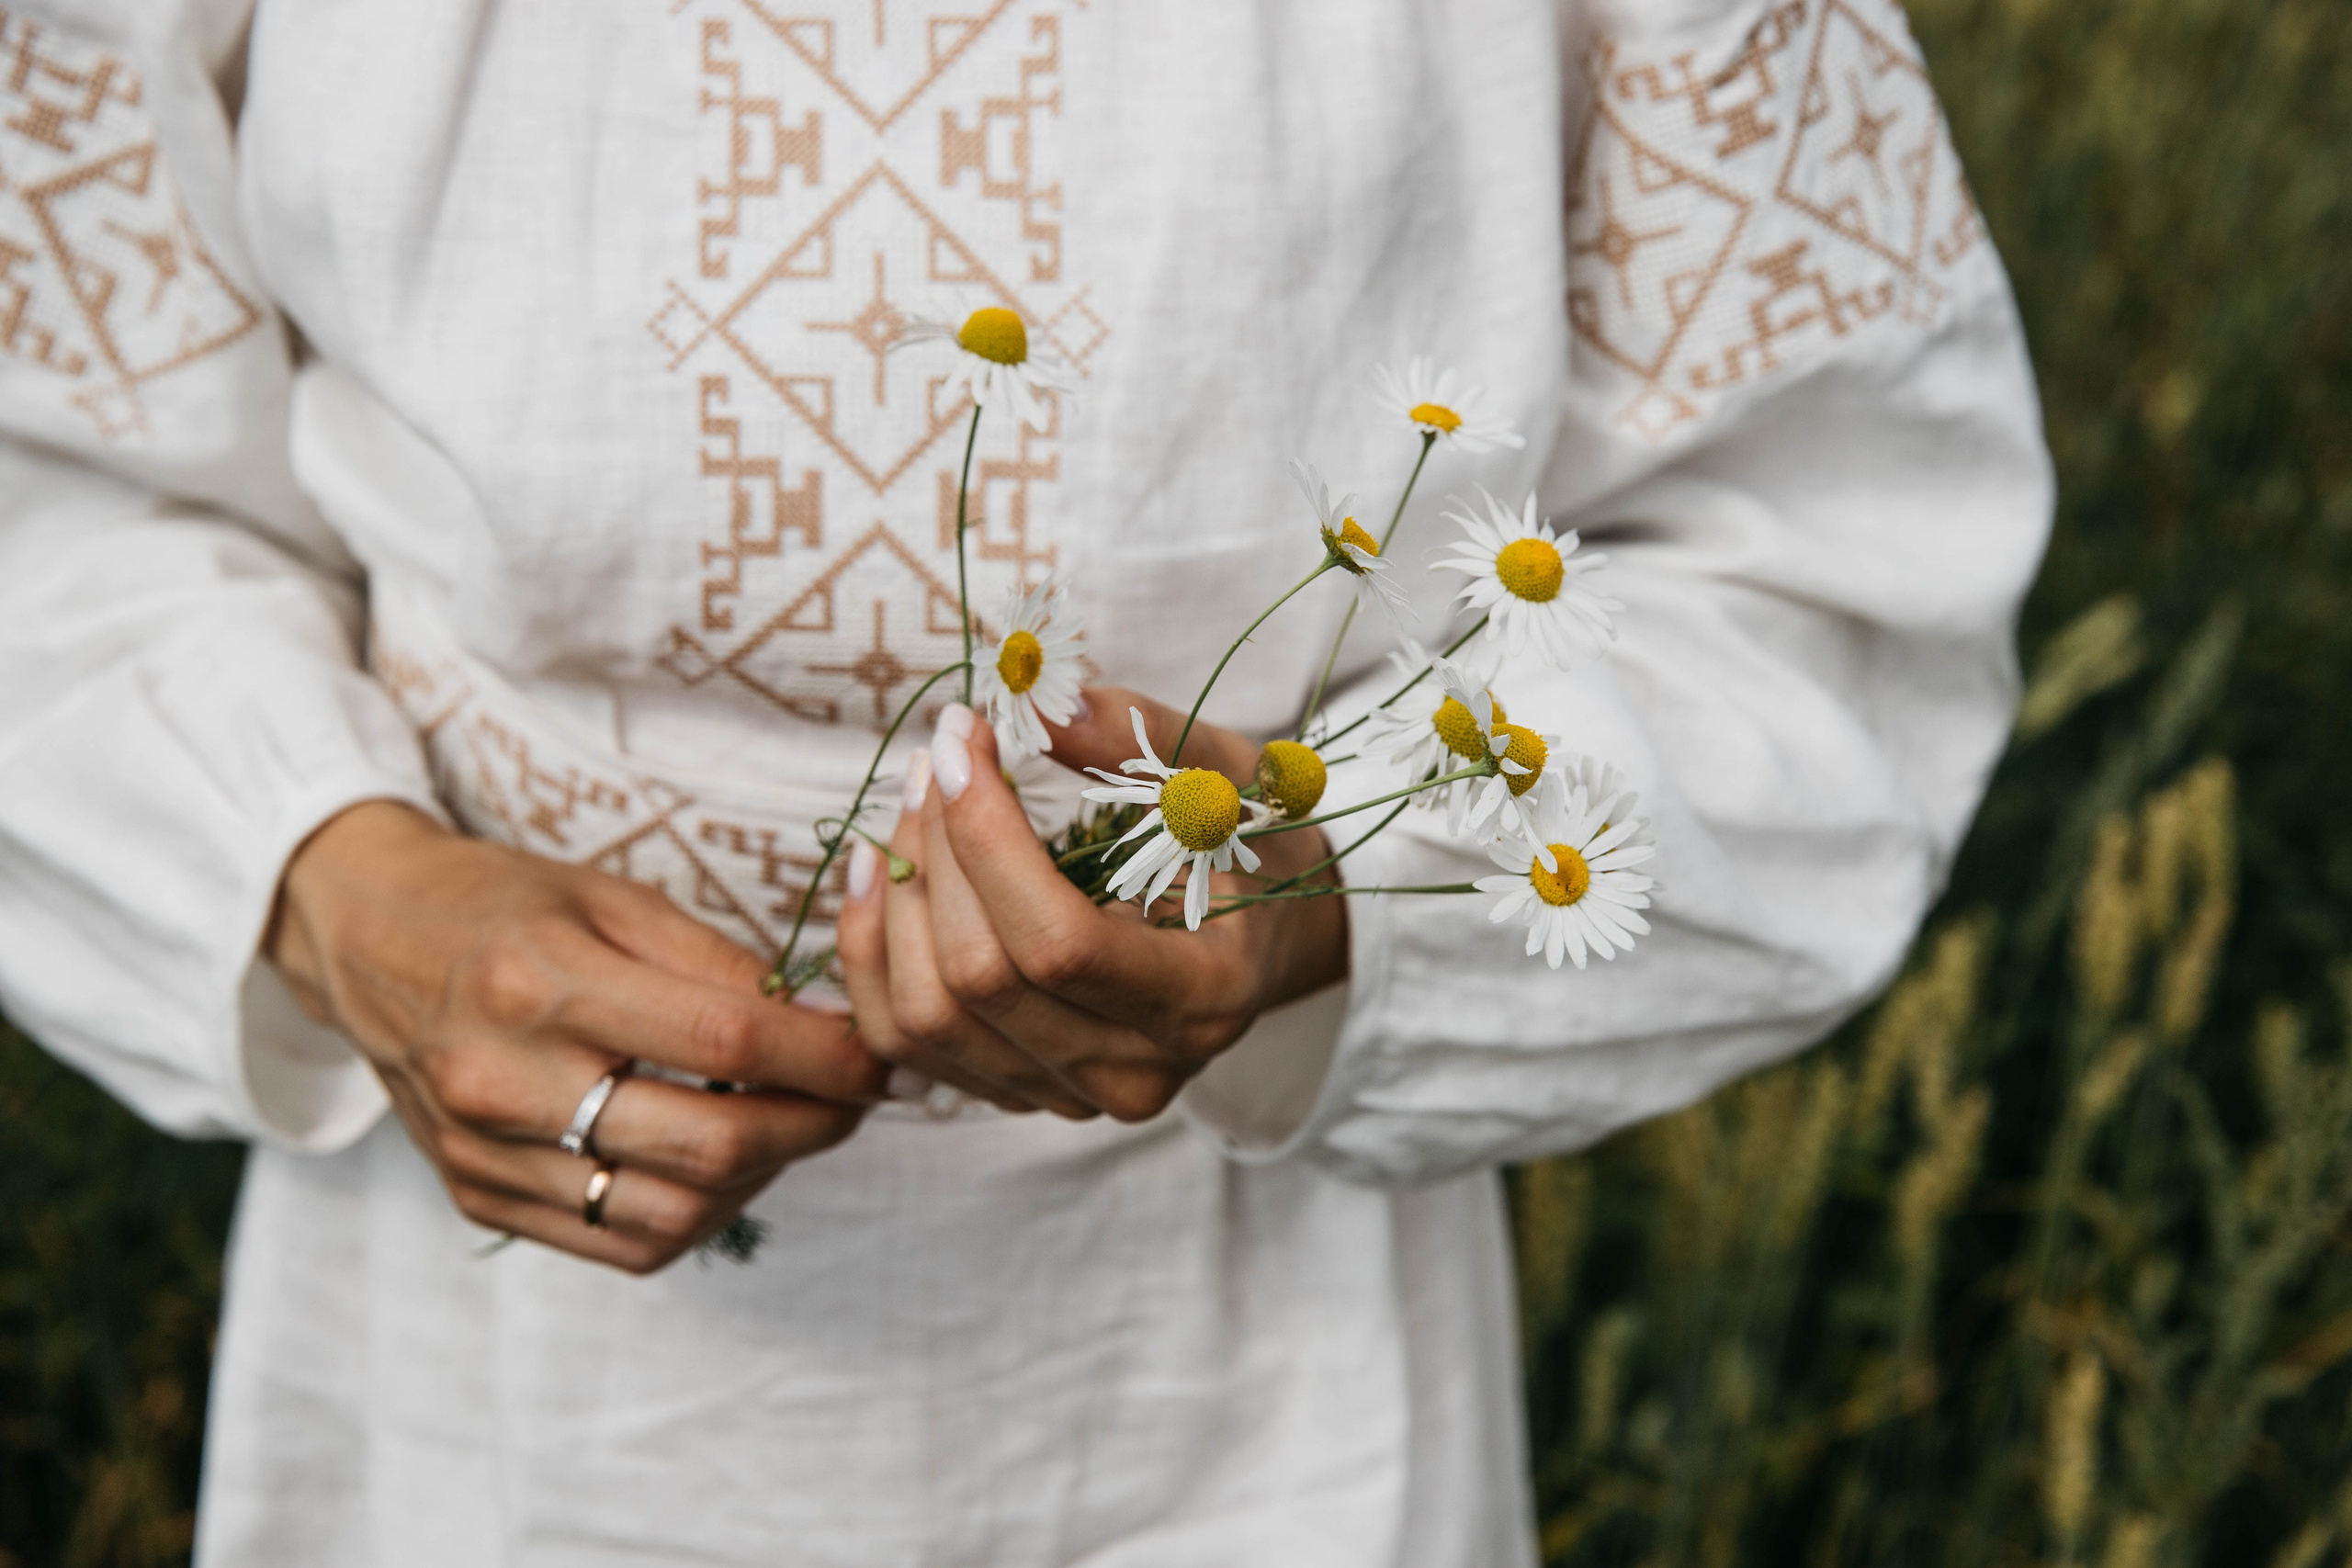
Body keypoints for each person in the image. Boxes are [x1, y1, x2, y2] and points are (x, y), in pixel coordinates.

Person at [0, 0, 2051, 1562]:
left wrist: (1317, 874)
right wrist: (349, 895)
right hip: (474, 1371)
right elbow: (50, 477)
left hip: (1248, 1388)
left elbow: (1827, 574)